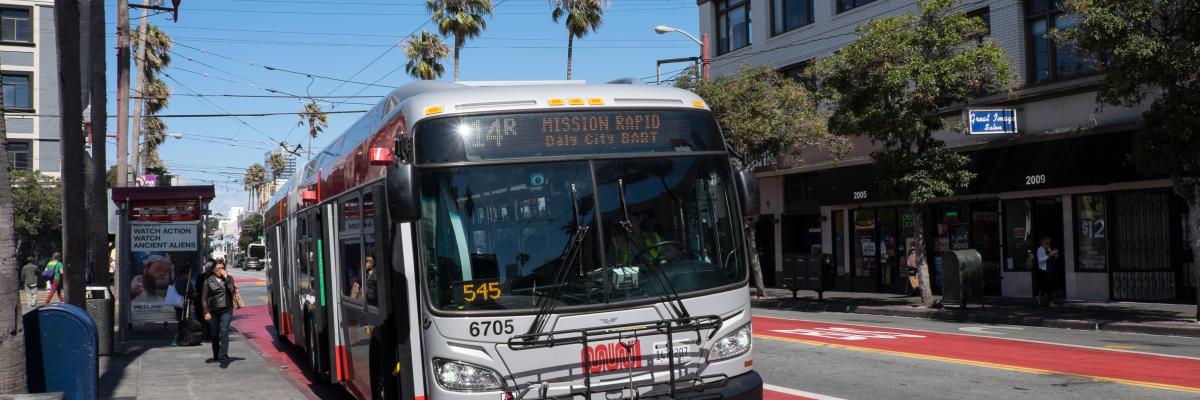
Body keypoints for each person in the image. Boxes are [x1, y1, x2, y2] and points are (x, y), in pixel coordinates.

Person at [201, 261, 237, 368]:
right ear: (213, 270)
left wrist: (227, 278)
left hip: (227, 309)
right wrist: (206, 312)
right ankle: (216, 355)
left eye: (222, 268)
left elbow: (231, 290)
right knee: (214, 334)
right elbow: (204, 299)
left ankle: (224, 358)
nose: (220, 270)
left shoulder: (229, 278)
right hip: (213, 310)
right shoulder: (208, 281)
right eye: (217, 268)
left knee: (224, 332)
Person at [1036, 236, 1059, 306]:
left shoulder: (1048, 248)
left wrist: (1055, 254)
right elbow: (1040, 260)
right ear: (1042, 242)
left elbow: (1055, 258)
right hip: (1044, 270)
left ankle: (1039, 296)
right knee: (1049, 286)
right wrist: (1049, 255)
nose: (1048, 244)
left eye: (1049, 243)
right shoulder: (1040, 249)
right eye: (1047, 243)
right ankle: (1050, 302)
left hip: (1050, 269)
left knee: (1048, 286)